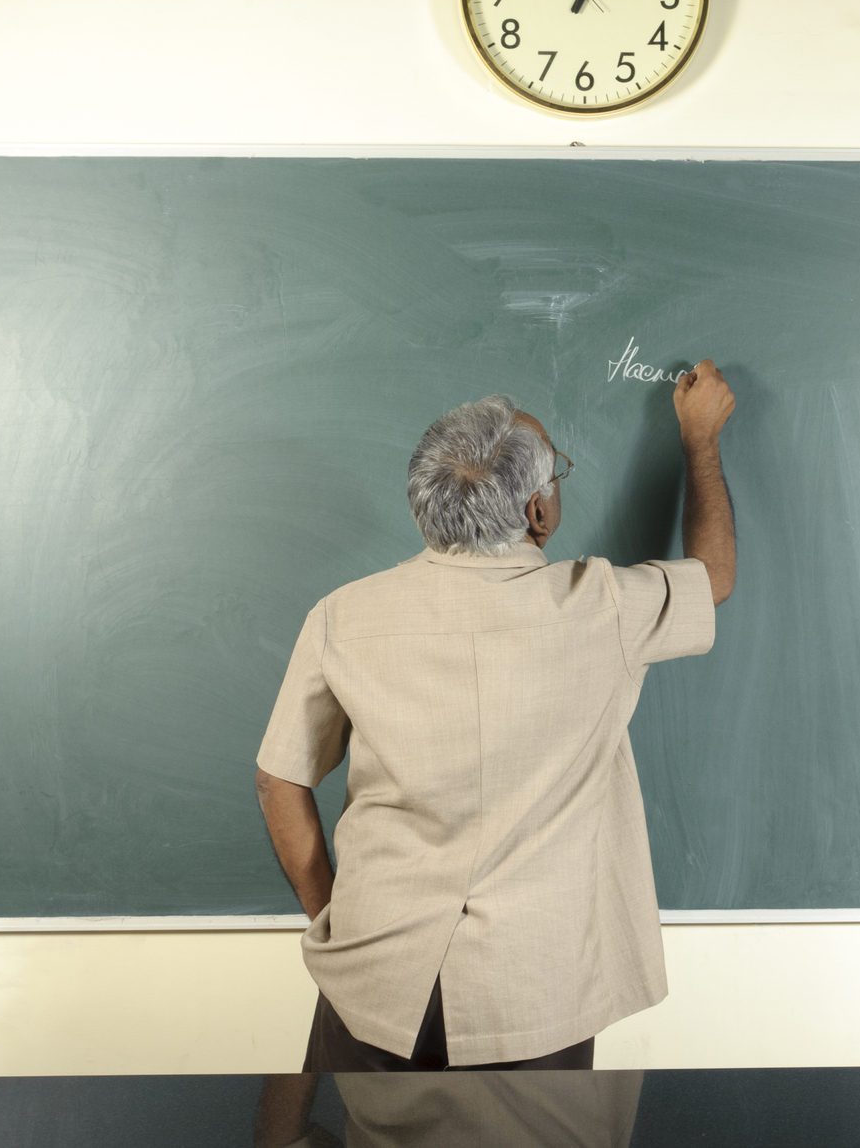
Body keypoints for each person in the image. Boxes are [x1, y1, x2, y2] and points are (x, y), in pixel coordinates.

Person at [255, 361, 738, 1072]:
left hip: (373, 973)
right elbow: (714, 577)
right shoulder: (602, 608)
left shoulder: (343, 618)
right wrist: (699, 441)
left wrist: (334, 917)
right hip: (535, 990)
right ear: (538, 513)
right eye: (558, 475)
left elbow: (279, 782)